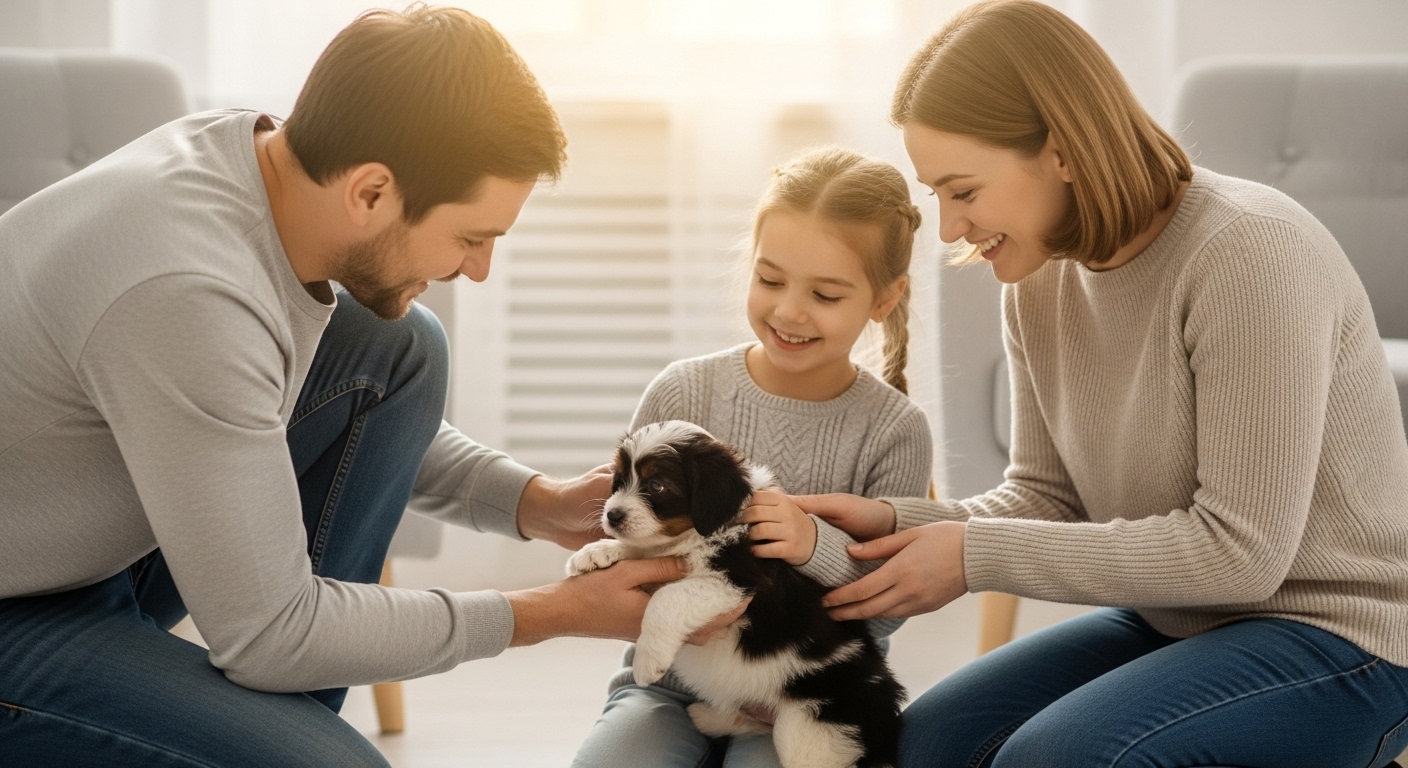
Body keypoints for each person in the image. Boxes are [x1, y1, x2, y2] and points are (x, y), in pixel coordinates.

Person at [0, 7, 702, 767]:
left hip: (81, 542)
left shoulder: (253, 158)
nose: (477, 269)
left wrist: (535, 504)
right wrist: (548, 613)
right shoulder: (188, 290)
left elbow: (251, 408)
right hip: (19, 608)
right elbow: (267, 633)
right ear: (370, 192)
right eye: (471, 238)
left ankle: (280, 727)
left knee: (393, 345)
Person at [789, 2, 1408, 766]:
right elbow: (1047, 496)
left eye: (964, 190)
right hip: (1182, 619)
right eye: (937, 197)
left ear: (1063, 152)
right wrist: (899, 522)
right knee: (928, 744)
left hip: (1345, 636)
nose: (949, 229)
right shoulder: (1039, 282)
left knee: (1055, 758)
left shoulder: (1249, 254)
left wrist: (969, 555)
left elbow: (1242, 554)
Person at [572, 146, 935, 768]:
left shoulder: (895, 429)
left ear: (884, 298)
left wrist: (809, 544)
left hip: (793, 686)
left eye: (825, 294)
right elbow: (629, 529)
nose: (789, 310)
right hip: (665, 686)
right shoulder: (684, 391)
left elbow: (885, 607)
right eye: (770, 280)